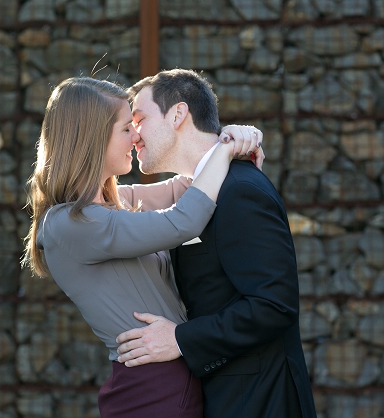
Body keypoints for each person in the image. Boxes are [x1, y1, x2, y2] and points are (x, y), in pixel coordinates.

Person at [23, 77, 263, 417]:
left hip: (169, 380)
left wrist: (232, 142)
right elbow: (184, 219)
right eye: (126, 129)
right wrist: (224, 150)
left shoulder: (112, 206)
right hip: (152, 390)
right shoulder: (70, 224)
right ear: (92, 139)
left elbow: (185, 186)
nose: (136, 136)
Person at [114, 69, 316, 417]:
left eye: (140, 119)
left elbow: (274, 305)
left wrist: (181, 339)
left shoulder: (241, 191)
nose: (134, 135)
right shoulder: (199, 191)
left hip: (259, 402)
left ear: (178, 114)